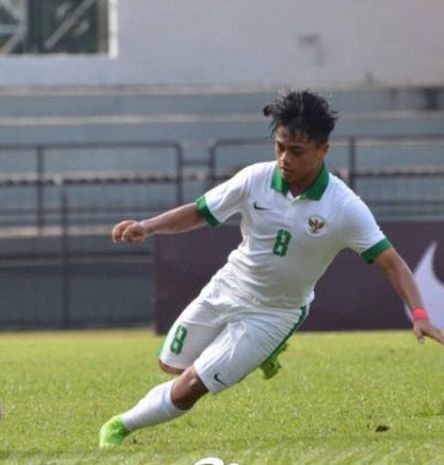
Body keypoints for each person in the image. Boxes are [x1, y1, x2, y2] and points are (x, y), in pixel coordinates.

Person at [98, 90, 444, 447]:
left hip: (274, 312)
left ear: (323, 150)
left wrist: (419, 313)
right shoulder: (255, 179)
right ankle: (257, 354)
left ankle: (119, 426)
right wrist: (148, 226)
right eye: (280, 146)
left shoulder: (344, 207)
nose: (284, 158)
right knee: (170, 366)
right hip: (228, 287)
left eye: (296, 151)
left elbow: (392, 262)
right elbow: (200, 211)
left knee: (188, 388)